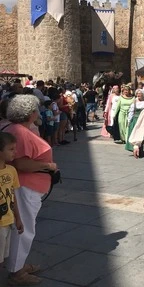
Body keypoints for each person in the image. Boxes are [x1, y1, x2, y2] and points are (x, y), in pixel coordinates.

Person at [0, 95, 58, 285]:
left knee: (21, 228)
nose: (37, 112)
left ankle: (17, 263)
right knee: (24, 229)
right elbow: (21, 163)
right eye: (35, 109)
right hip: (25, 187)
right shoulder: (20, 132)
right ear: (30, 113)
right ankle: (16, 272)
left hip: (25, 186)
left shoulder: (12, 127)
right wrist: (48, 167)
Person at [0, 132, 24, 268]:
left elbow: (13, 196)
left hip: (8, 221)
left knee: (2, 259)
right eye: (11, 149)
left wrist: (18, 218)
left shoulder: (11, 170)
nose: (15, 152)